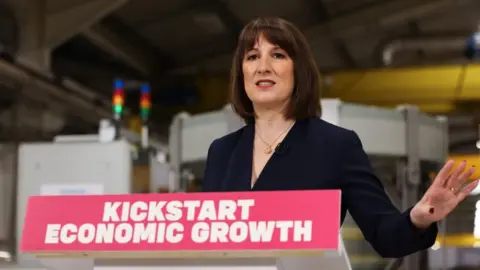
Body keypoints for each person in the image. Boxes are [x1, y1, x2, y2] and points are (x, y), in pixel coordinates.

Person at [202, 17, 479, 258]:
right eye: (252, 57)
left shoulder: (335, 145)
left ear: (299, 70)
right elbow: (208, 239)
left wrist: (418, 218)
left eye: (277, 55)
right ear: (242, 73)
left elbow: (383, 234)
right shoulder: (221, 152)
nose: (263, 67)